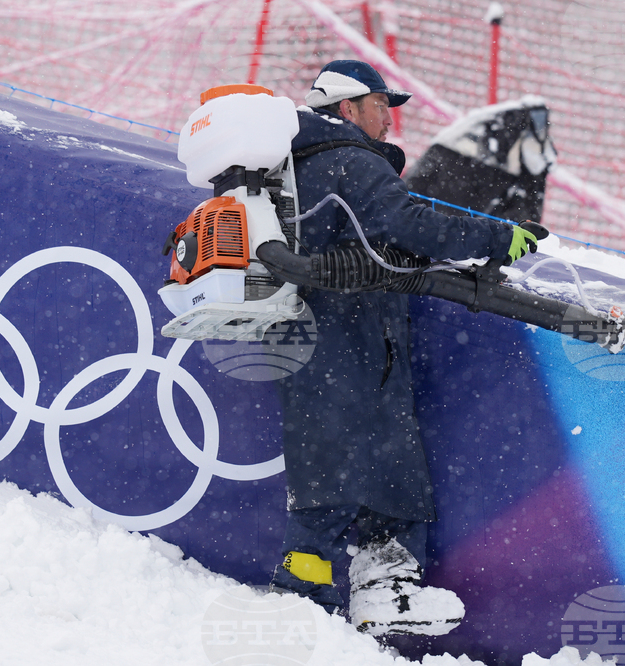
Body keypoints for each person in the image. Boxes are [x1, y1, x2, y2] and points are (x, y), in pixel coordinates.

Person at [268, 60, 539, 636]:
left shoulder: (294, 165)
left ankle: (311, 589)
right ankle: (372, 591)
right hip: (353, 332)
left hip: (310, 329)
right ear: (347, 108)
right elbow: (407, 222)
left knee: (327, 457)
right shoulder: (349, 158)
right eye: (379, 105)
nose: (389, 118)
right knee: (379, 455)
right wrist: (498, 236)